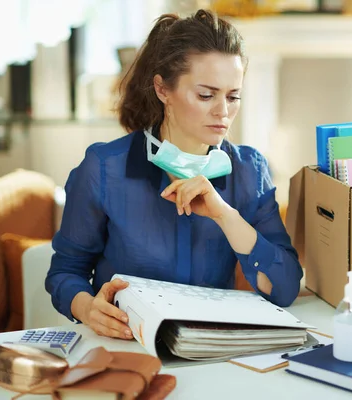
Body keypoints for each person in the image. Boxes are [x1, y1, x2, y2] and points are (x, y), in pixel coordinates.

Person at [45, 9, 303, 340]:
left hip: (211, 354)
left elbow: (284, 289)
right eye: (206, 95)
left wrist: (225, 216)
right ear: (163, 90)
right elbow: (65, 272)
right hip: (127, 348)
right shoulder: (104, 168)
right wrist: (87, 308)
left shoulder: (249, 170)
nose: (223, 112)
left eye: (233, 96)